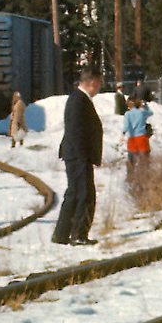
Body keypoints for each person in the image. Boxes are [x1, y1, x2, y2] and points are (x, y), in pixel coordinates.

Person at [52, 72, 103, 246]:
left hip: (77, 154)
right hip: (78, 154)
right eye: (99, 83)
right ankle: (78, 235)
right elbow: (75, 129)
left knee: (75, 193)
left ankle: (61, 235)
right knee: (84, 194)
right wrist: (83, 155)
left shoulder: (78, 99)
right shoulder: (78, 100)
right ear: (92, 82)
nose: (100, 87)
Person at [122, 97, 151, 186]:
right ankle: (145, 178)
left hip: (132, 139)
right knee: (145, 160)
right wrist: (144, 107)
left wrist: (122, 134)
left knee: (131, 160)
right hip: (142, 138)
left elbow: (126, 126)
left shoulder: (128, 114)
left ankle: (130, 178)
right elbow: (150, 113)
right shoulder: (141, 112)